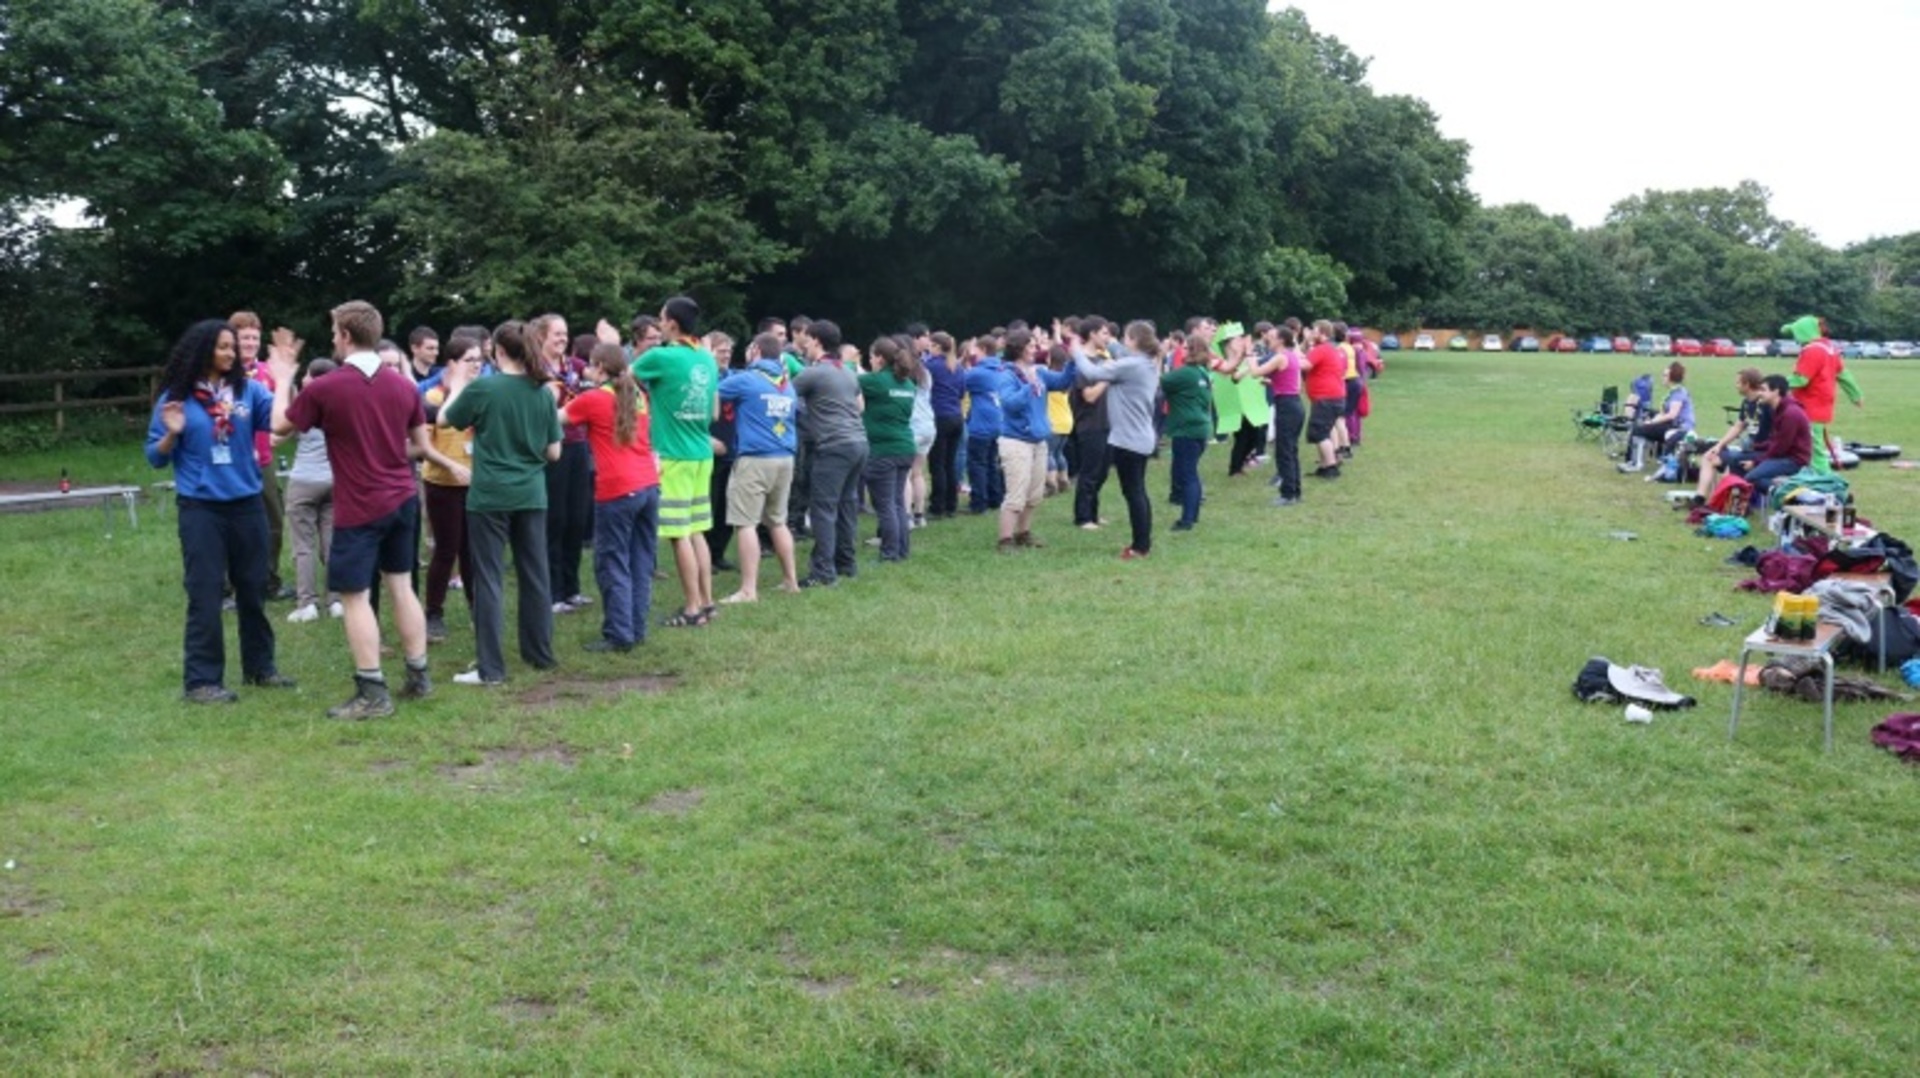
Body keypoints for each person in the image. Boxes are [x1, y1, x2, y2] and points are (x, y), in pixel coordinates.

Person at [270, 301, 432, 719]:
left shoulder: (326, 387)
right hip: (403, 498)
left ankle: (372, 693)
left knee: (355, 596)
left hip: (360, 506)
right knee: (401, 586)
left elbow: (279, 426)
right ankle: (418, 676)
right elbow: (420, 445)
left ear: (344, 335)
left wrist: (283, 378)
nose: (332, 339)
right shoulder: (403, 386)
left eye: (333, 332)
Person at [146, 319, 293, 703]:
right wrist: (172, 433)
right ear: (202, 350)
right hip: (201, 509)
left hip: (247, 505)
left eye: (233, 347)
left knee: (254, 588)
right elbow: (154, 458)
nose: (232, 353)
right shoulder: (176, 399)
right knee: (206, 592)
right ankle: (202, 682)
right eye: (224, 347)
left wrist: (284, 379)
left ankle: (260, 668)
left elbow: (282, 424)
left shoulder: (249, 392)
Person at [438, 321, 563, 685]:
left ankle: (491, 668)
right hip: (531, 493)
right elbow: (554, 452)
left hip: (490, 494)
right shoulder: (543, 392)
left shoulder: (485, 388)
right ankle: (540, 653)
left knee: (489, 578)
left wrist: (457, 385)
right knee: (535, 574)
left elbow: (444, 419)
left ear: (497, 351)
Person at [562, 342, 661, 652]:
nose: (587, 370)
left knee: (612, 562)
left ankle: (619, 634)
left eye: (590, 365)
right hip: (648, 484)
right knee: (640, 561)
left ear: (601, 368)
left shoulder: (593, 399)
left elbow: (555, 418)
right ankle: (636, 628)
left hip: (617, 489)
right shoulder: (638, 395)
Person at [630, 296, 719, 626]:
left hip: (674, 456)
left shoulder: (662, 356)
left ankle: (692, 608)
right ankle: (708, 603)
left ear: (672, 323)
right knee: (697, 531)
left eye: (661, 318)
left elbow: (622, 376)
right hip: (701, 454)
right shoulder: (706, 358)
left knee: (679, 534)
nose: (658, 323)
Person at [716, 331, 801, 602]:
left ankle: (748, 590)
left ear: (756, 351)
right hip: (785, 458)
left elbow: (711, 392)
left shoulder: (747, 379)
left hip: (755, 459)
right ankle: (791, 581)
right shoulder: (787, 384)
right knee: (778, 521)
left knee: (745, 524)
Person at [1073, 320, 1162, 559]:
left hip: (1128, 440)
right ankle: (1142, 543)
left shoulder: (1131, 365)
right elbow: (1120, 352)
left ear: (1134, 340)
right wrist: (1109, 344)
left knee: (1134, 493)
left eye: (1126, 337)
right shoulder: (1147, 362)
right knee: (1138, 491)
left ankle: (1140, 546)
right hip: (1141, 437)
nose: (1122, 340)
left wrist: (1076, 351)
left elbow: (1092, 373)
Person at [792, 319, 868, 587]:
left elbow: (782, 396)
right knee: (846, 504)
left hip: (834, 446)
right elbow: (860, 407)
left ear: (816, 341)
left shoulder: (813, 373)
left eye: (808, 340)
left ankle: (823, 572)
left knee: (823, 508)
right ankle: (846, 563)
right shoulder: (847, 371)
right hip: (859, 443)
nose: (805, 345)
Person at [419, 336, 481, 643]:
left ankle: (477, 609)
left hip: (475, 484)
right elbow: (423, 446)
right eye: (470, 359)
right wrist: (451, 466)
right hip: (442, 484)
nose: (477, 365)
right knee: (446, 549)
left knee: (472, 551)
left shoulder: (481, 395)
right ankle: (433, 613)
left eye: (480, 359)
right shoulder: (434, 397)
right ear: (452, 363)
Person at [994, 328, 1076, 550]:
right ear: (1019, 349)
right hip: (1016, 441)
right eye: (1031, 346)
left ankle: (1023, 534)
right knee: (1016, 494)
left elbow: (1062, 382)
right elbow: (1010, 404)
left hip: (1038, 440)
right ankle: (1005, 540)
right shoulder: (1006, 375)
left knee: (1034, 494)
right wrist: (1029, 386)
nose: (1036, 349)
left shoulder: (1039, 371)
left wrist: (1073, 362)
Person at [230, 311, 292, 601]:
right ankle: (229, 587)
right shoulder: (222, 373)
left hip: (263, 459)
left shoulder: (268, 372)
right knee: (231, 524)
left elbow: (287, 413)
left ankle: (268, 580)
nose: (251, 343)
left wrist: (281, 436)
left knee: (273, 521)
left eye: (255, 338)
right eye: (245, 338)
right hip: (230, 461)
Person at [534, 317, 593, 614]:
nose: (562, 339)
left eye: (565, 334)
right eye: (556, 334)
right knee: (554, 519)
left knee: (577, 518)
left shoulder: (576, 366)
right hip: (551, 449)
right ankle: (552, 592)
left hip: (579, 445)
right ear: (541, 336)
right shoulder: (535, 369)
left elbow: (600, 383)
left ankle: (572, 588)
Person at [284, 358, 340, 623]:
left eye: (306, 374)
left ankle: (307, 603)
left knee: (303, 545)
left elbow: (282, 428)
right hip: (334, 480)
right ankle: (336, 600)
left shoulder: (305, 405)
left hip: (304, 481)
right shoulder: (340, 405)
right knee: (331, 543)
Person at [860, 336, 921, 561]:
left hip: (882, 450)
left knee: (885, 505)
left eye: (871, 357)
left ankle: (889, 554)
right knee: (897, 503)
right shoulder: (908, 384)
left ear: (879, 358)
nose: (869, 362)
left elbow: (846, 382)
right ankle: (902, 551)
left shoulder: (874, 382)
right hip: (905, 447)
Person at [1781, 315, 1863, 473]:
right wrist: (1856, 395)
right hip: (1822, 405)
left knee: (1812, 448)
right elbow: (1843, 375)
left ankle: (1824, 478)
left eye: (1795, 334)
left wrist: (1777, 383)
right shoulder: (1830, 349)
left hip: (1809, 405)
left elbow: (1801, 379)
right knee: (1809, 443)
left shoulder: (1812, 351)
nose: (1795, 340)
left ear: (1803, 333)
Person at [1714, 375, 1813, 506]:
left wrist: (1756, 462)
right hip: (1781, 455)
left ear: (1776, 391)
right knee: (1736, 460)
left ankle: (1788, 494)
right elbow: (1775, 441)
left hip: (1793, 460)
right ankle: (1741, 506)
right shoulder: (1780, 409)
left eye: (1763, 390)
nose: (1760, 393)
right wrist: (1756, 447)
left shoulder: (1790, 413)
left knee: (1753, 477)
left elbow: (1780, 448)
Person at [1689, 368, 1770, 504]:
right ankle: (1699, 499)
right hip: (1748, 451)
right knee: (1709, 456)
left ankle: (1721, 502)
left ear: (1747, 384)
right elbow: (1738, 426)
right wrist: (1719, 445)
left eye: (1738, 382)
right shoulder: (1746, 402)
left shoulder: (1765, 404)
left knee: (1726, 463)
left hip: (1762, 453)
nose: (1736, 385)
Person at [1160, 333, 1213, 531]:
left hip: (1186, 429)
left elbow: (1160, 381)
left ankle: (1187, 520)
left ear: (1190, 350)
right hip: (1200, 427)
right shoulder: (1202, 372)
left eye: (1184, 347)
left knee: (1187, 474)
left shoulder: (1186, 373)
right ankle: (1193, 514)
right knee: (1192, 472)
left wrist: (1159, 358)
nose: (1180, 350)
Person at [1249, 323, 1306, 506]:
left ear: (1281, 340)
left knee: (1284, 451)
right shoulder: (1291, 355)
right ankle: (1295, 491)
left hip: (1286, 407)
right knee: (1291, 450)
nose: (1269, 340)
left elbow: (1255, 373)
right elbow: (1289, 381)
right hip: (1294, 404)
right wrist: (1272, 383)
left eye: (1272, 338)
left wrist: (1249, 355)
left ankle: (1287, 494)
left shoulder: (1280, 357)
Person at [1068, 317, 1114, 530]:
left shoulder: (1103, 359)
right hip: (1090, 424)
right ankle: (1083, 517)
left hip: (1107, 422)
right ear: (1092, 334)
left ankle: (1093, 513)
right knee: (1090, 472)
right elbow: (1089, 396)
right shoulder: (1083, 365)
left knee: (1102, 471)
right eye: (1104, 333)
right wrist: (1107, 378)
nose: (1108, 337)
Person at [702, 330, 741, 573]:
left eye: (729, 351)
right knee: (709, 505)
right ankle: (704, 555)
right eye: (721, 351)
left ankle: (718, 553)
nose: (726, 356)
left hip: (732, 451)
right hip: (709, 449)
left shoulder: (734, 377)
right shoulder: (703, 379)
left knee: (727, 507)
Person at [1617, 361, 1694, 473]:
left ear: (1672, 377)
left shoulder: (1678, 393)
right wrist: (1652, 420)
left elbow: (1672, 414)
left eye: (1665, 375)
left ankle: (1635, 463)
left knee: (1638, 430)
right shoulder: (1674, 392)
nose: (1662, 378)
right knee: (1643, 425)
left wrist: (1652, 423)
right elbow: (1663, 413)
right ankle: (1633, 461)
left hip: (1680, 428)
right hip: (1674, 425)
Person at [963, 333, 1007, 513]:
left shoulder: (978, 373)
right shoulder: (1002, 370)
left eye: (976, 350)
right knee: (992, 462)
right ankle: (995, 498)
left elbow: (960, 384)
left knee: (977, 464)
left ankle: (979, 503)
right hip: (999, 422)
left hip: (980, 425)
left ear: (983, 349)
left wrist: (965, 361)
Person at [1301, 320, 1347, 479]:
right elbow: (1306, 356)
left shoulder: (1321, 349)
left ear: (1323, 334)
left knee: (1319, 433)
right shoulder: (1327, 349)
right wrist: (1306, 342)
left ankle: (1331, 467)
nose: (1311, 333)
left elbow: (1304, 364)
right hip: (1332, 397)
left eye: (1314, 331)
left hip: (1326, 398)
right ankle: (1324, 466)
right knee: (1321, 433)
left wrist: (1287, 358)